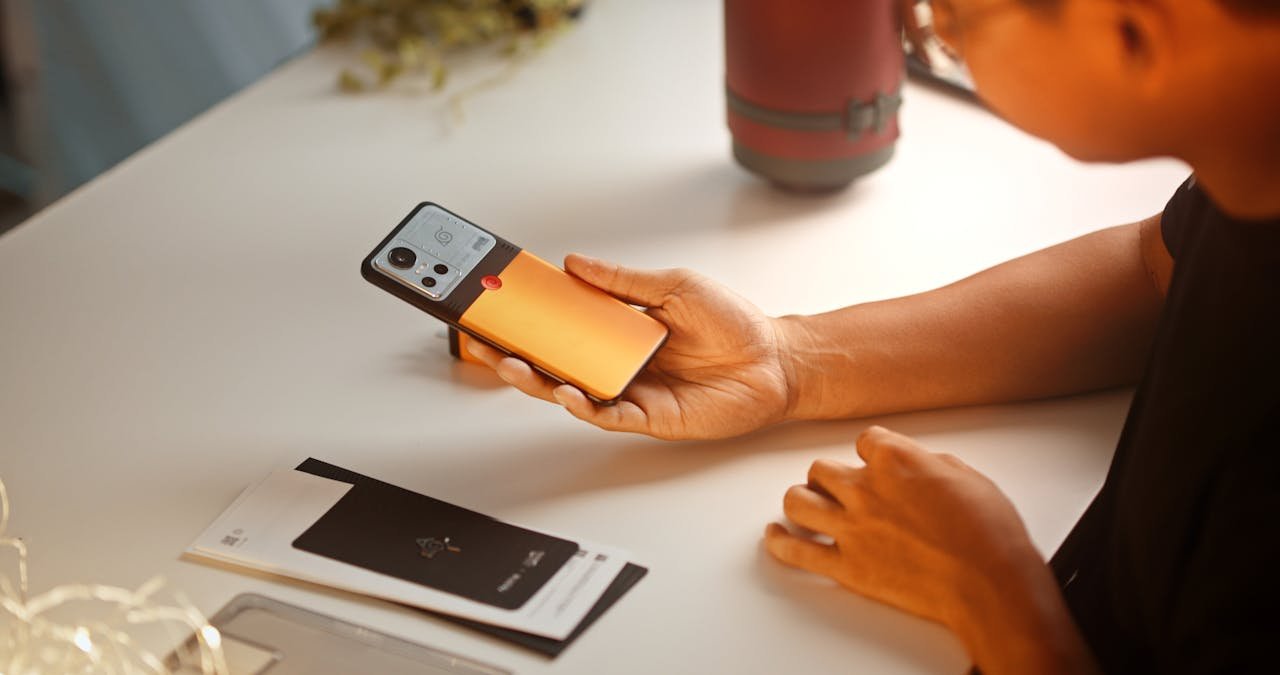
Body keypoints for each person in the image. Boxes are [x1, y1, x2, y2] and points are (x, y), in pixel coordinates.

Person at [468, 0, 1280, 672]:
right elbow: (1156, 267)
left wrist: (995, 594)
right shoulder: (1251, 162)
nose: (927, 31)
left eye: (950, 22)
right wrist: (792, 362)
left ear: (1133, 31)